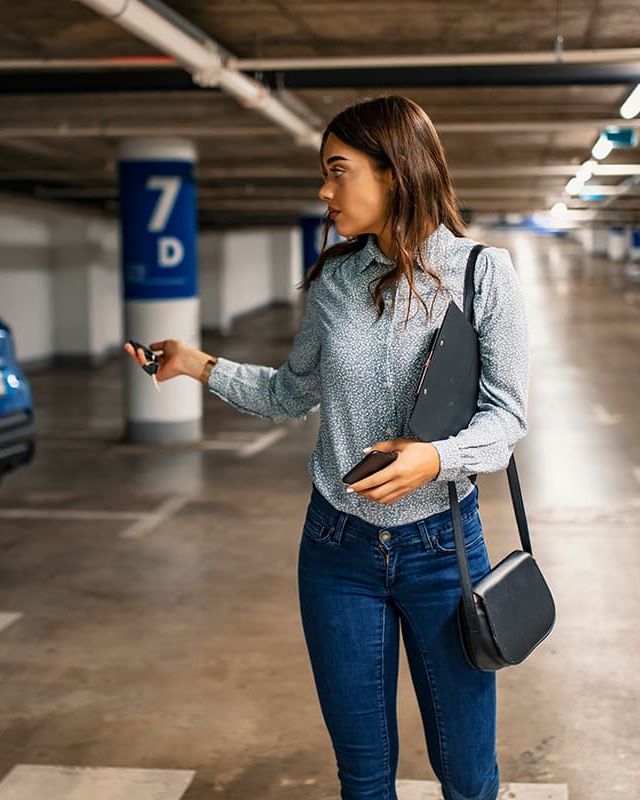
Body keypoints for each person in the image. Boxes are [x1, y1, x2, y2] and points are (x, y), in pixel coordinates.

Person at [124, 95, 529, 800]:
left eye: (339, 171)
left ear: (395, 172)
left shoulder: (481, 274)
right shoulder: (335, 281)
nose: (324, 190)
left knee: (467, 775)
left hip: (443, 551)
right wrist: (196, 364)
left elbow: (506, 419)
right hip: (336, 549)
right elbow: (290, 393)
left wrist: (432, 460)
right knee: (363, 777)